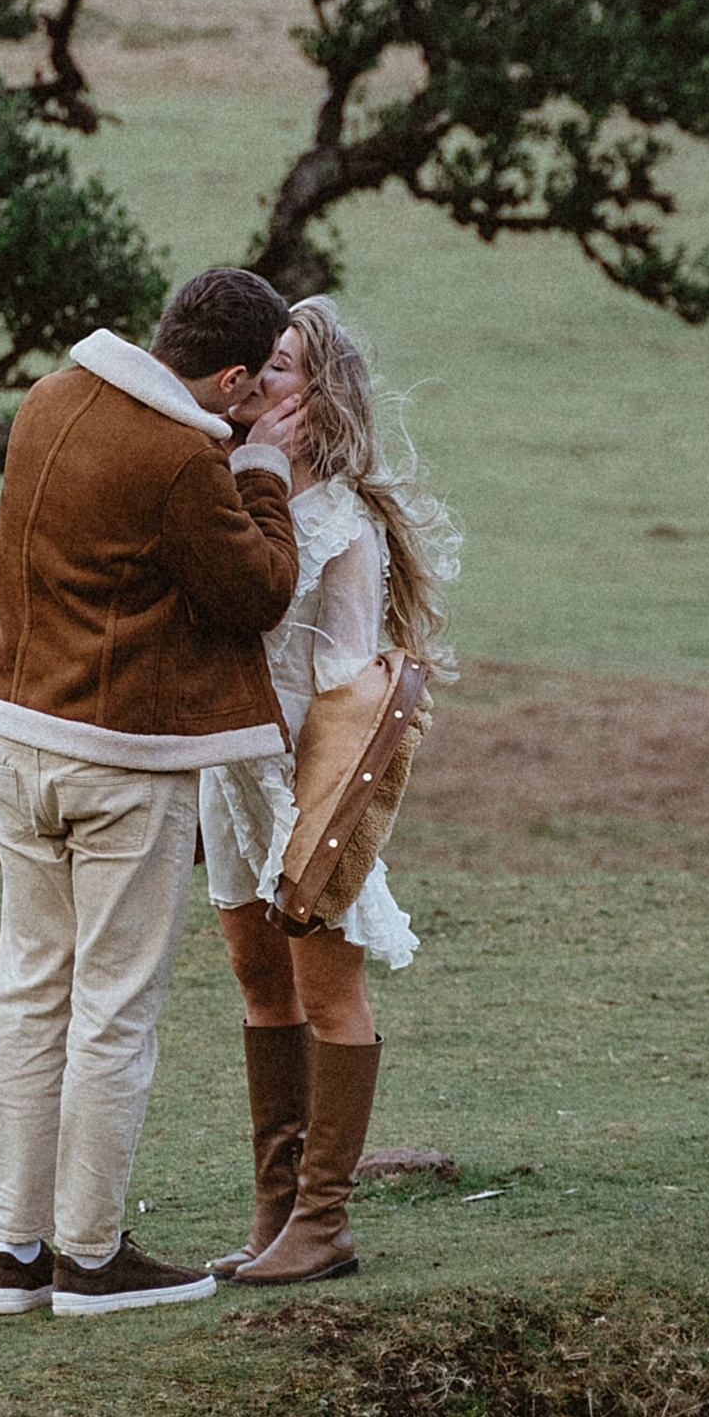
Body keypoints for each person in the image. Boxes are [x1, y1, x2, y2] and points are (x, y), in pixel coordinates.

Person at [0, 267, 302, 1319]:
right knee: (114, 1010)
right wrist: (260, 465)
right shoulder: (181, 457)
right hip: (117, 759)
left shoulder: (48, 396)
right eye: (253, 391)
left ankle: (17, 1254)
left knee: (30, 997)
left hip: (16, 737)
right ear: (234, 373)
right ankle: (90, 1254)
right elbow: (256, 590)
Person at [202, 295, 460, 1287]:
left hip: (303, 778)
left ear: (318, 390)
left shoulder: (341, 523)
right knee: (256, 977)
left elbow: (351, 684)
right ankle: (274, 1212)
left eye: (281, 364)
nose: (260, 378)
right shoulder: (232, 485)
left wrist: (321, 819)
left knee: (324, 982)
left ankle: (323, 1222)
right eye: (254, 362)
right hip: (226, 772)